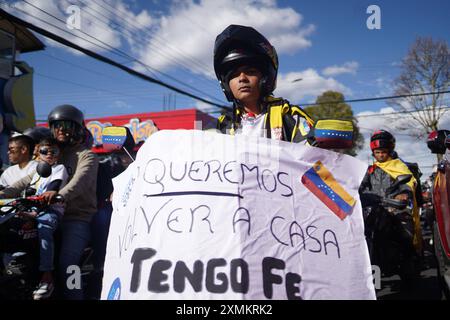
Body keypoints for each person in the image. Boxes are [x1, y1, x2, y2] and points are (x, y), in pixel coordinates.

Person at [214, 24, 315, 142]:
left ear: (267, 77)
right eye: (234, 75)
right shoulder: (224, 124)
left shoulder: (289, 115)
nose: (242, 78)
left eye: (250, 72)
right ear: (226, 84)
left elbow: (313, 155)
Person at [0, 137, 69, 299]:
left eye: (54, 151)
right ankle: (14, 265)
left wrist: (50, 193)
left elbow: (54, 185)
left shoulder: (59, 168)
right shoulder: (38, 171)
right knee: (11, 224)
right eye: (45, 151)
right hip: (33, 209)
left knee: (43, 227)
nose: (49, 154)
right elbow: (18, 186)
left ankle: (47, 276)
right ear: (39, 153)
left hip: (50, 211)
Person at [46, 104, 99, 300]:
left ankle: (75, 296)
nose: (60, 129)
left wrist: (58, 196)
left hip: (75, 218)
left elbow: (79, 183)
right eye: (56, 125)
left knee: (68, 264)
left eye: (66, 124)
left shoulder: (87, 156)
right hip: (46, 214)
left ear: (77, 128)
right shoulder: (51, 154)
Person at [359, 130, 422, 267]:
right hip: (373, 209)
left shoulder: (399, 166)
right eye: (377, 152)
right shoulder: (370, 170)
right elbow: (360, 186)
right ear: (373, 153)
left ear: (389, 151)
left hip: (395, 208)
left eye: (383, 152)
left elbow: (409, 183)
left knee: (405, 237)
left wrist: (404, 193)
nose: (380, 155)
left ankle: (409, 264)